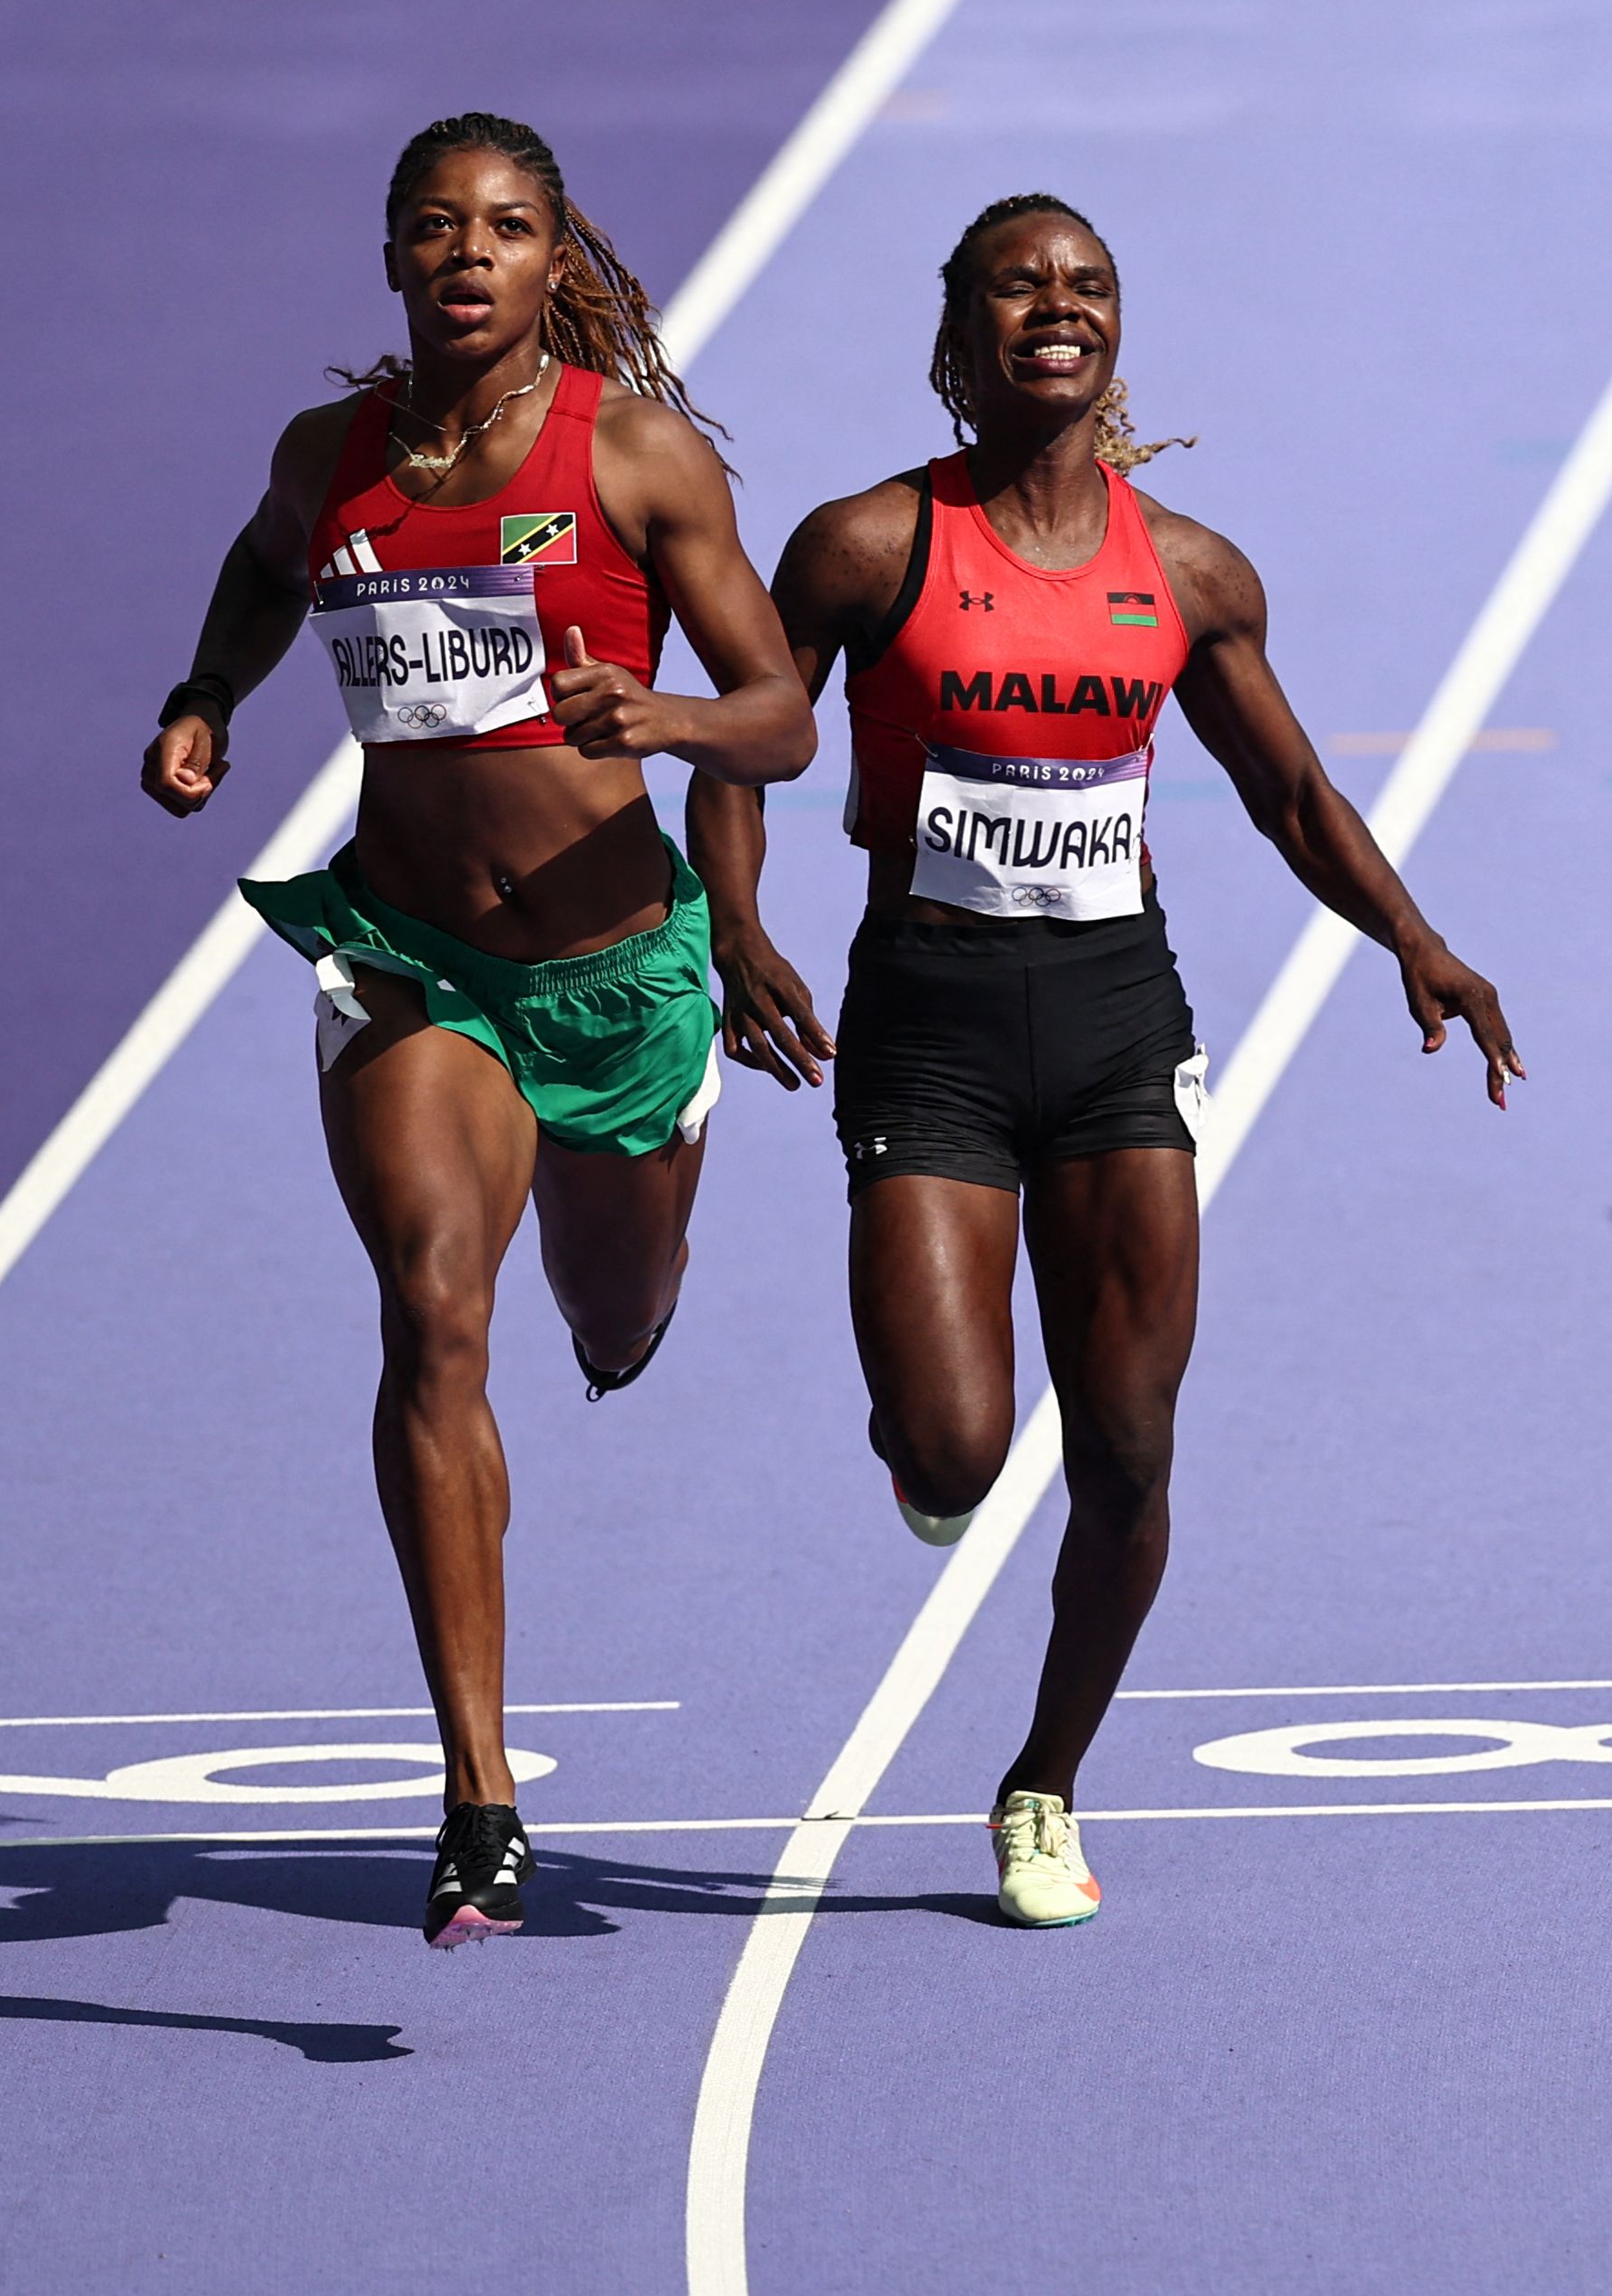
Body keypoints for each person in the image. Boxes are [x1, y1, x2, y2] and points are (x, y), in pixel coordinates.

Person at [696, 195, 1517, 1927]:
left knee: (1132, 1451)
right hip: (926, 1025)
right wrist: (735, 926)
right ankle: (928, 1455)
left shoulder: (1190, 573)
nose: (1054, 309)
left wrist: (1416, 940)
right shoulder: (864, 546)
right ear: (961, 331)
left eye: (1085, 286)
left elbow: (1289, 794)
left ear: (1118, 330)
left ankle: (1043, 1784)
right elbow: (751, 745)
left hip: (1119, 1025)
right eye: (1019, 285)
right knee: (951, 1449)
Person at [145, 114, 815, 1943]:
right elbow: (267, 558)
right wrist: (210, 691)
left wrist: (661, 725)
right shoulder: (332, 456)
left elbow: (777, 714)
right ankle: (478, 1792)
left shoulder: (639, 457)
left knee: (608, 1317)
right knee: (437, 1308)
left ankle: (642, 1258)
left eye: (505, 228)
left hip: (606, 976)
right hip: (412, 955)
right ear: (391, 260)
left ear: (550, 263)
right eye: (434, 227)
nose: (466, 252)